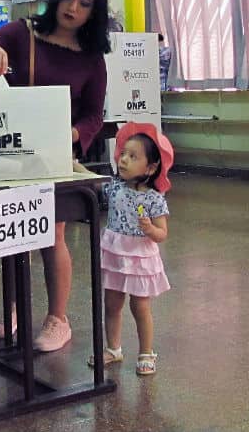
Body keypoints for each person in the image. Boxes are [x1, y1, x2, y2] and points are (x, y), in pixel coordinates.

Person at [0, 0, 111, 351]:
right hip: (10, 150)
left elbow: (94, 114)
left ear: (93, 12)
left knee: (53, 234)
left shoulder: (92, 58)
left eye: (84, 3)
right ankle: (14, 310)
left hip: (55, 154)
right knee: (13, 231)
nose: (72, 8)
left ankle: (57, 318)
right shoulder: (21, 33)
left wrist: (72, 134)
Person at [87, 122, 173, 375]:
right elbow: (92, 180)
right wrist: (71, 165)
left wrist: (150, 230)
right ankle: (113, 349)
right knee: (111, 303)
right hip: (116, 254)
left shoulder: (154, 198)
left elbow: (162, 234)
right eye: (123, 154)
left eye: (133, 157)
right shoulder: (115, 188)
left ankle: (147, 352)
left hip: (139, 258)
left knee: (140, 307)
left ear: (151, 167)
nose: (123, 160)